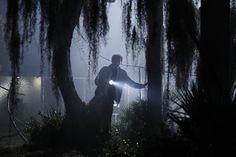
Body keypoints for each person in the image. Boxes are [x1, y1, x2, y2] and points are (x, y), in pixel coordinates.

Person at [89, 54, 147, 135]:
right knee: (98, 115)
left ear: (120, 62)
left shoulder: (122, 73)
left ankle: (106, 134)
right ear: (112, 61)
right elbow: (96, 81)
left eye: (118, 61)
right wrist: (103, 82)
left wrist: (141, 86)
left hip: (111, 99)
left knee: (108, 116)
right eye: (115, 61)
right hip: (100, 97)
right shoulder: (104, 69)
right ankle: (95, 132)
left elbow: (130, 82)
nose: (116, 63)